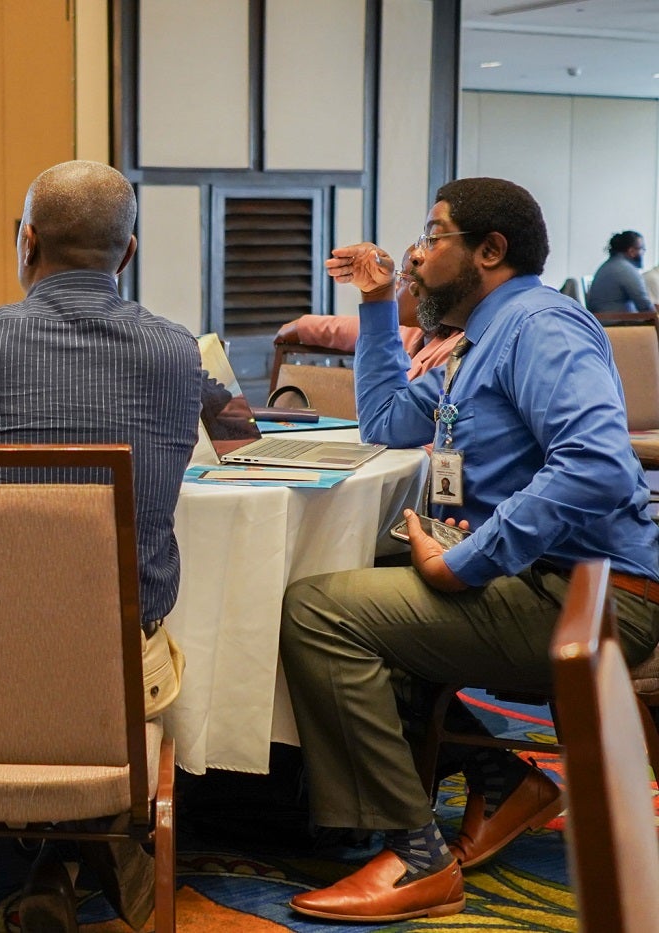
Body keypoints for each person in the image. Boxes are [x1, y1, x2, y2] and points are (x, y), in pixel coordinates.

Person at [280, 177, 659, 922]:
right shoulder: (478, 340)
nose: (415, 256)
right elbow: (387, 417)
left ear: (490, 250)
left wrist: (466, 560)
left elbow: (596, 464)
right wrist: (377, 302)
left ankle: (415, 858)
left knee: (320, 612)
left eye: (432, 237)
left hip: (589, 597)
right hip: (544, 581)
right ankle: (497, 775)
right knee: (354, 582)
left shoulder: (540, 327)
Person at [0, 160, 201, 932]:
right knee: (153, 640)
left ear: (25, 240)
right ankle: (81, 843)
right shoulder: (175, 352)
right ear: (127, 253)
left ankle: (49, 853)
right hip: (120, 676)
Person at [275, 248, 464, 381]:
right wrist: (301, 326)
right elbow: (351, 328)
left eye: (402, 279)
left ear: (421, 290)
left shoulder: (456, 352)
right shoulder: (418, 334)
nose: (395, 286)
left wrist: (376, 293)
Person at [585, 230, 653, 315]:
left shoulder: (610, 265)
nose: (643, 253)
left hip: (604, 320)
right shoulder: (626, 269)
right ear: (631, 251)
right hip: (617, 323)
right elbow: (645, 306)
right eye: (642, 249)